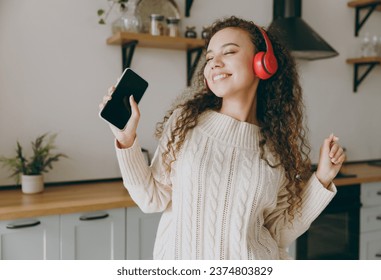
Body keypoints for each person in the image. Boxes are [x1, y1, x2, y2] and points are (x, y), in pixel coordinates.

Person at [99, 16, 345, 260]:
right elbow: (150, 198)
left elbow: (278, 232)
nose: (214, 63)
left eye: (228, 52)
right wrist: (126, 140)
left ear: (263, 63)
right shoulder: (185, 122)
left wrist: (322, 178)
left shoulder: (278, 147)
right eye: (209, 57)